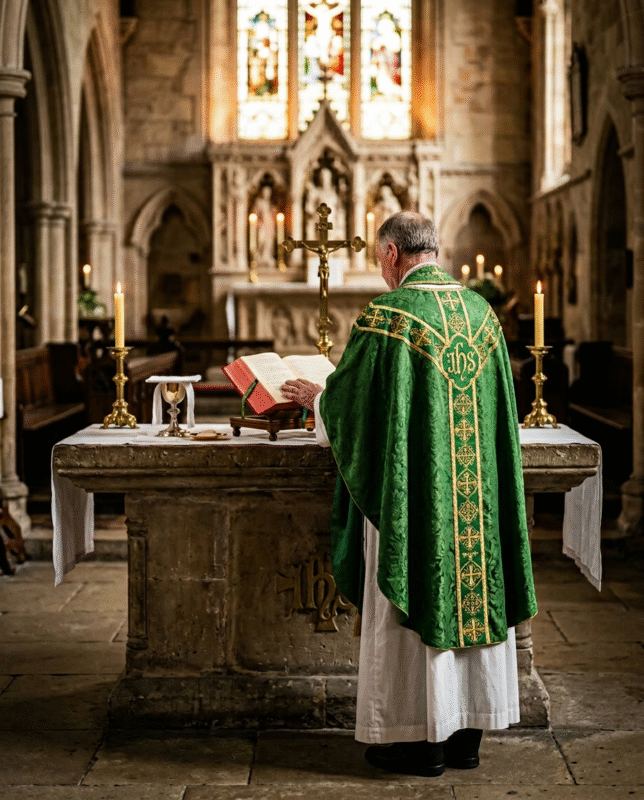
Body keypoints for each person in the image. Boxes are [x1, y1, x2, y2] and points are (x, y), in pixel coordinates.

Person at [282, 211, 537, 778]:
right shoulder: (482, 314)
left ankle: (420, 743)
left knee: (413, 595)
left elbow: (355, 408)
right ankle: (467, 736)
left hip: (414, 497)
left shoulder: (388, 317)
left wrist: (317, 397)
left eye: (379, 259)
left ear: (393, 255)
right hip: (475, 500)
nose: (380, 269)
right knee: (472, 595)